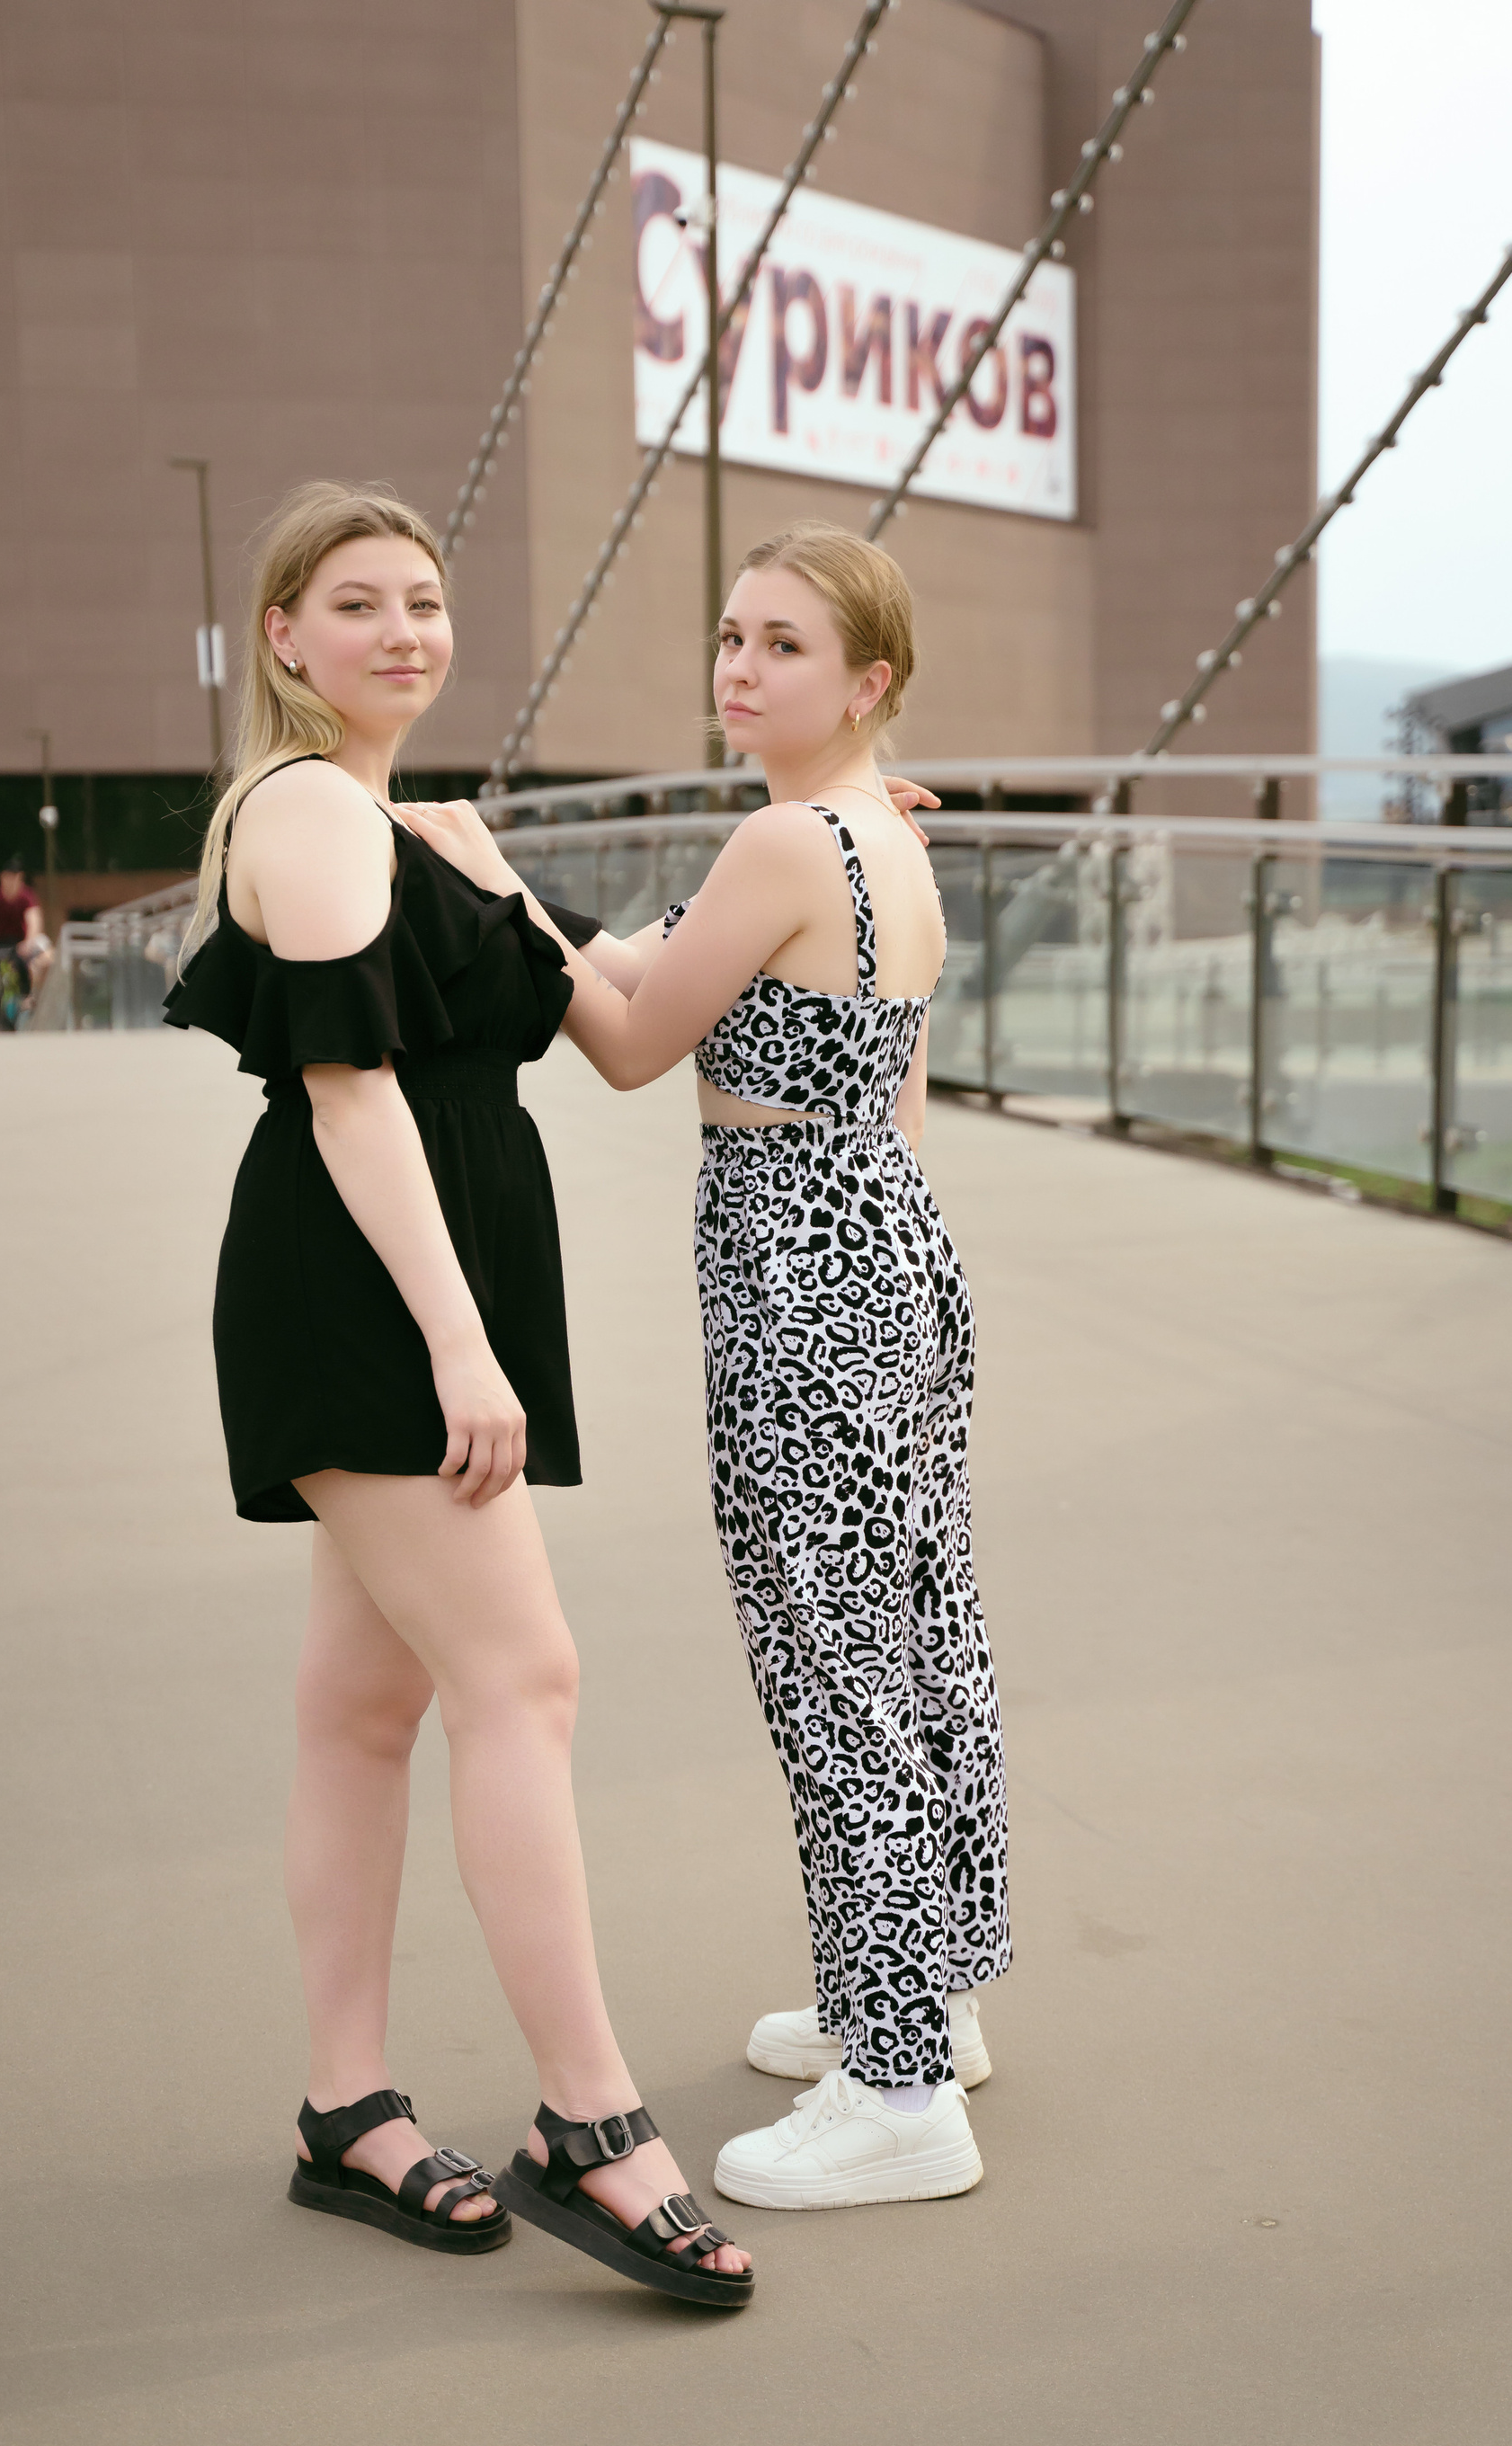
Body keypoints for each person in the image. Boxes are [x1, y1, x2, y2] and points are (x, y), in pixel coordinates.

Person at [164, 481, 752, 2306]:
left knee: (368, 1706)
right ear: (284, 636)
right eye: (357, 603)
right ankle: (591, 2121)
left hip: (430, 1277)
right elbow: (349, 1095)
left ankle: (347, 2109)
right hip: (371, 1290)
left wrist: (819, 837)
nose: (403, 630)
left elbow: (623, 1024)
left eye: (423, 599)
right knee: (524, 1676)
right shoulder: (309, 811)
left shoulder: (430, 829)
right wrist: (458, 1343)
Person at [405, 521, 1009, 2214]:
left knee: (834, 1662)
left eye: (783, 645)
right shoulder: (881, 834)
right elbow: (649, 962)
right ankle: (923, 1997)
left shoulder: (786, 839)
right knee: (919, 1630)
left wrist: (491, 884)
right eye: (734, 636)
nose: (739, 668)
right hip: (888, 1250)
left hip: (801, 1275)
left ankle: (898, 2090)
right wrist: (537, 903)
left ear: (868, 681)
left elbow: (620, 1039)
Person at [0, 862, 54, 1018]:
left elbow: (34, 920)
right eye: (7, 877)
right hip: (0, 943)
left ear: (20, 878)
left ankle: (28, 995)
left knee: (30, 963)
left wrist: (29, 941)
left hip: (20, 943)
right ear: (1, 877)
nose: (10, 881)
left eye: (14, 878)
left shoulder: (27, 896)